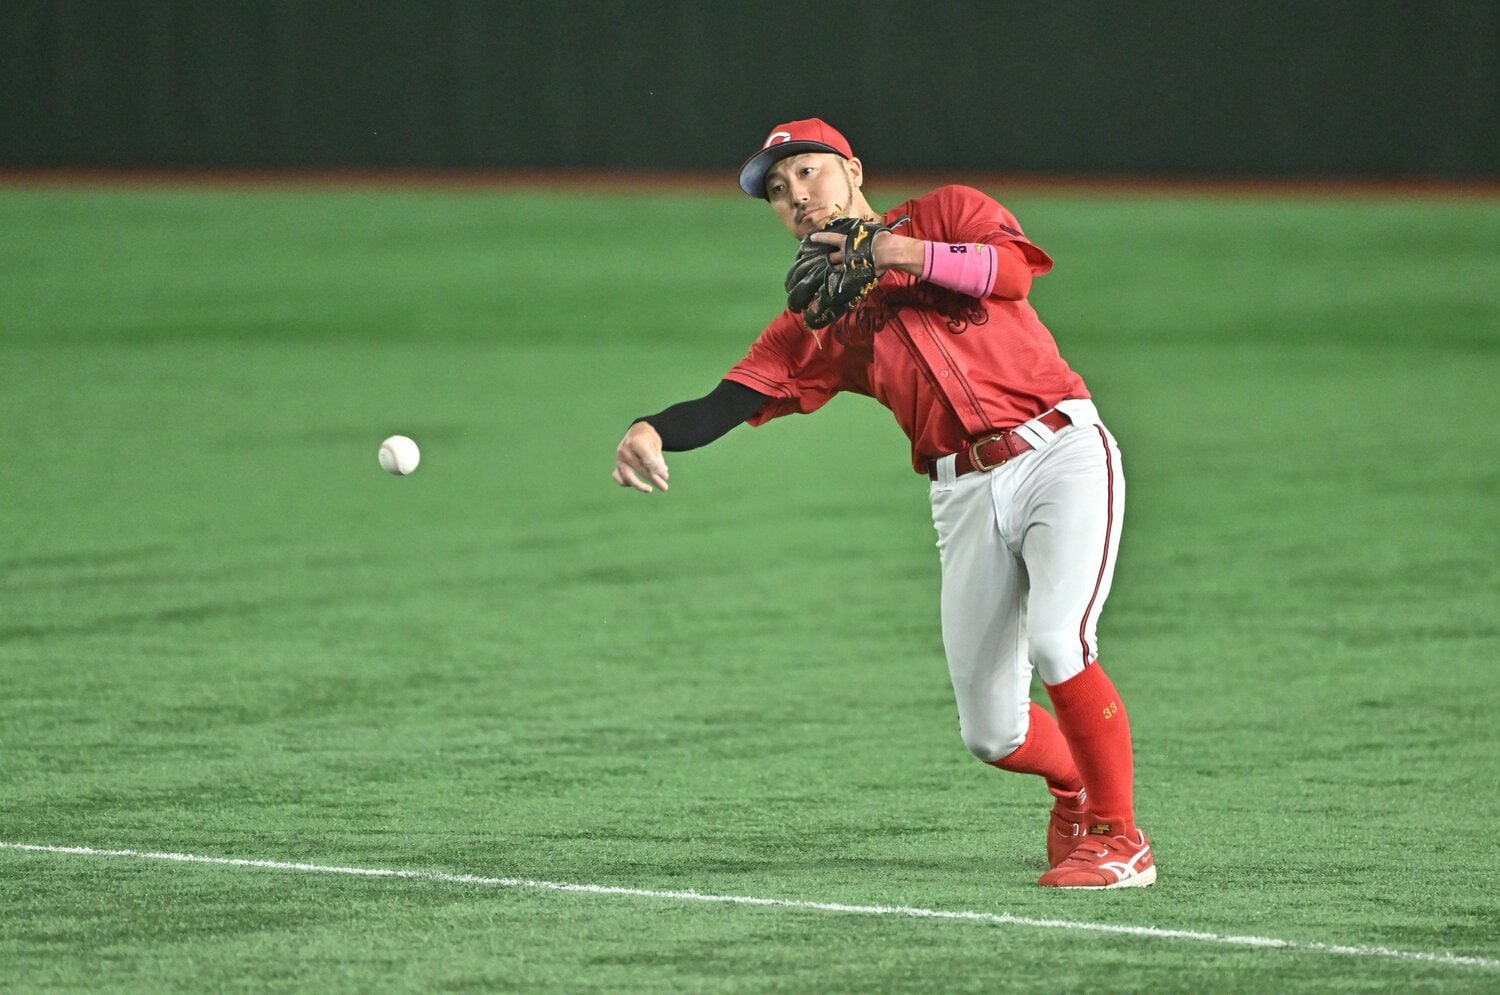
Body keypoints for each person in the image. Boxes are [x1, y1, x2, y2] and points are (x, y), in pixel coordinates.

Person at [611, 118, 1154, 889]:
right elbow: (729, 397)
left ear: (853, 169)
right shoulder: (820, 317)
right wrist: (651, 429)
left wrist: (895, 252)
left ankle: (1118, 835)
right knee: (992, 733)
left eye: (806, 172)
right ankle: (1075, 785)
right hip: (960, 493)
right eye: (775, 189)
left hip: (1058, 454)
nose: (794, 194)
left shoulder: (946, 213)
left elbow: (1011, 273)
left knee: (1060, 641)